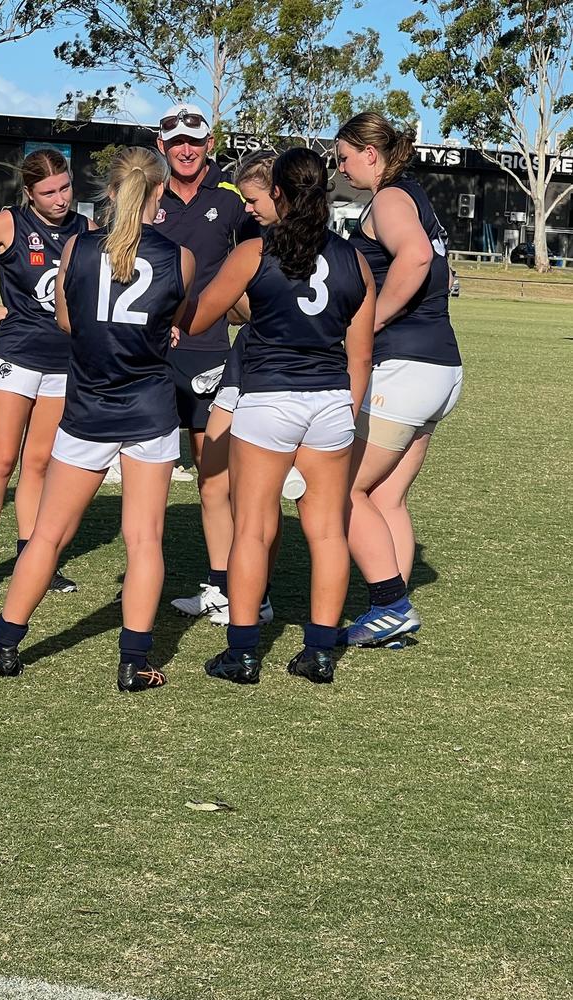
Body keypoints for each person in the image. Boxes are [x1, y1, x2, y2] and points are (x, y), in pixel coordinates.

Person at [0, 146, 195, 691]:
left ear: (109, 190)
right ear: (158, 192)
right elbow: (177, 321)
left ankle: (5, 642)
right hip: (149, 408)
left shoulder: (77, 244)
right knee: (145, 540)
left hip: (86, 406)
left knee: (47, 535)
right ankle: (134, 662)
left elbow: (67, 320)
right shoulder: (181, 256)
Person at [182, 147, 375, 685]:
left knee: (252, 528)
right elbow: (360, 356)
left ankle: (242, 654)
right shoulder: (354, 260)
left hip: (268, 398)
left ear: (281, 193)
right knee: (328, 533)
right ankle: (318, 653)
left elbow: (200, 316)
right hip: (331, 399)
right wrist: (346, 412)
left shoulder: (254, 250)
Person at [0, 149, 95, 599]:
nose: (60, 198)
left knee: (40, 463)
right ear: (29, 193)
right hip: (15, 354)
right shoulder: (11, 222)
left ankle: (34, 560)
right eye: (48, 192)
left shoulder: (84, 229)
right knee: (2, 460)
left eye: (65, 187)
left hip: (64, 362)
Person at [335, 111, 463, 647]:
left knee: (341, 489)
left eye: (343, 158)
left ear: (370, 152)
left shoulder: (388, 199)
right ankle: (389, 613)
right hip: (440, 369)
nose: (340, 169)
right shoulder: (414, 194)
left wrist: (372, 321)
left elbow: (413, 259)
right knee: (386, 497)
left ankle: (392, 604)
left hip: (405, 369)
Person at [170, 150, 282, 626]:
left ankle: (256, 596)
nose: (248, 208)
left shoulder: (299, 249)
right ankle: (222, 587)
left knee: (258, 493)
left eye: (254, 200)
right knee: (214, 479)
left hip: (277, 379)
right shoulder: (257, 246)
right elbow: (237, 306)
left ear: (282, 193)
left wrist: (170, 320)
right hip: (243, 363)